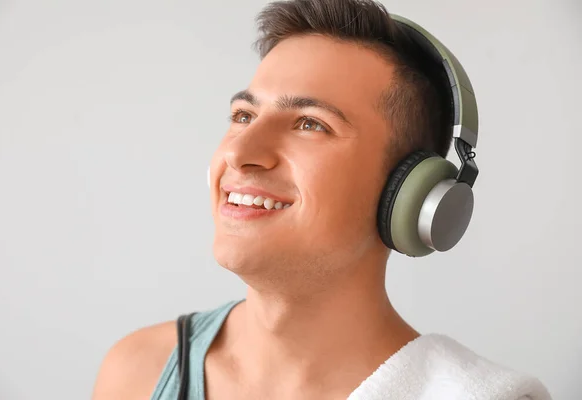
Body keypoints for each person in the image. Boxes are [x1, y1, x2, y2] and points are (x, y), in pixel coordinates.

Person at [92, 0, 552, 399]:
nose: (238, 152)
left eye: (310, 123)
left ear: (409, 193)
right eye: (243, 114)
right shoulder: (137, 372)